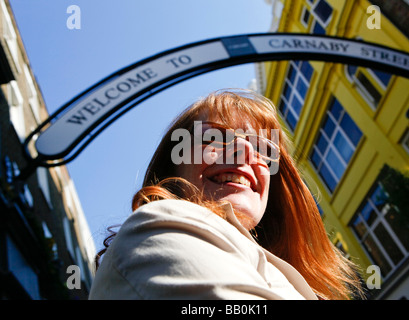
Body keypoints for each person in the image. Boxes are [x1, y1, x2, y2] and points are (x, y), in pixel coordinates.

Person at [89, 89, 363, 300]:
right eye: (214, 139)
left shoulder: (274, 267)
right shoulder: (157, 225)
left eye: (263, 150)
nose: (245, 152)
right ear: (172, 165)